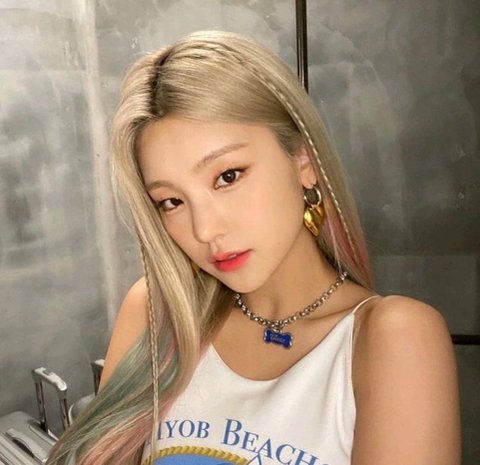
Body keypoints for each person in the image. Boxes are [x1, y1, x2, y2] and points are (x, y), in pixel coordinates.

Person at [46, 30, 461, 465]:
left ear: (303, 161)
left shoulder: (390, 339)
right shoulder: (157, 313)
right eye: (172, 201)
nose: (205, 229)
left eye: (228, 177)